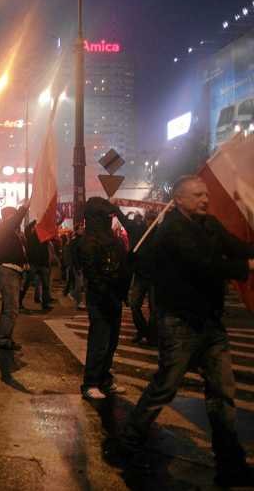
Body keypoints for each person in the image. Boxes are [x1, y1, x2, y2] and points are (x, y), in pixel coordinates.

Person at [119, 176, 254, 486]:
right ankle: (128, 441)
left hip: (210, 323)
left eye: (206, 194)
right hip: (179, 323)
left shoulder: (209, 224)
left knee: (223, 393)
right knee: (165, 387)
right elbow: (204, 264)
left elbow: (238, 247)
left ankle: (230, 463)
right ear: (179, 200)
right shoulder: (172, 231)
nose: (205, 199)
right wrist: (246, 267)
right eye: (197, 195)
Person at [78, 197, 131, 400]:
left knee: (111, 342)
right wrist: (107, 292)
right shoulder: (90, 242)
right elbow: (93, 273)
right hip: (100, 298)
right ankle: (91, 382)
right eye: (106, 216)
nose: (110, 220)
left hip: (114, 296)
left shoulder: (112, 240)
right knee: (100, 341)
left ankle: (104, 379)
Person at [0, 204, 29, 351]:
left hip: (12, 270)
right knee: (11, 308)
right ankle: (4, 339)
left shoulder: (10, 231)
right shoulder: (5, 227)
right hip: (8, 271)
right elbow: (16, 220)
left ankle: (5, 338)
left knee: (9, 307)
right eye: (14, 215)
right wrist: (23, 209)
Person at [128, 209, 158, 346]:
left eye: (153, 219)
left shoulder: (160, 234)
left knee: (154, 309)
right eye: (148, 219)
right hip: (140, 275)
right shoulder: (140, 232)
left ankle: (151, 335)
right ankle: (144, 331)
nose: (150, 222)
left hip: (154, 277)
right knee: (134, 305)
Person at [20, 220, 54, 312]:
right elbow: (27, 228)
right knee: (27, 284)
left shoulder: (44, 238)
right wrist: (36, 221)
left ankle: (45, 304)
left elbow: (52, 229)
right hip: (34, 263)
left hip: (42, 264)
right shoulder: (31, 237)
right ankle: (19, 302)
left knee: (45, 286)